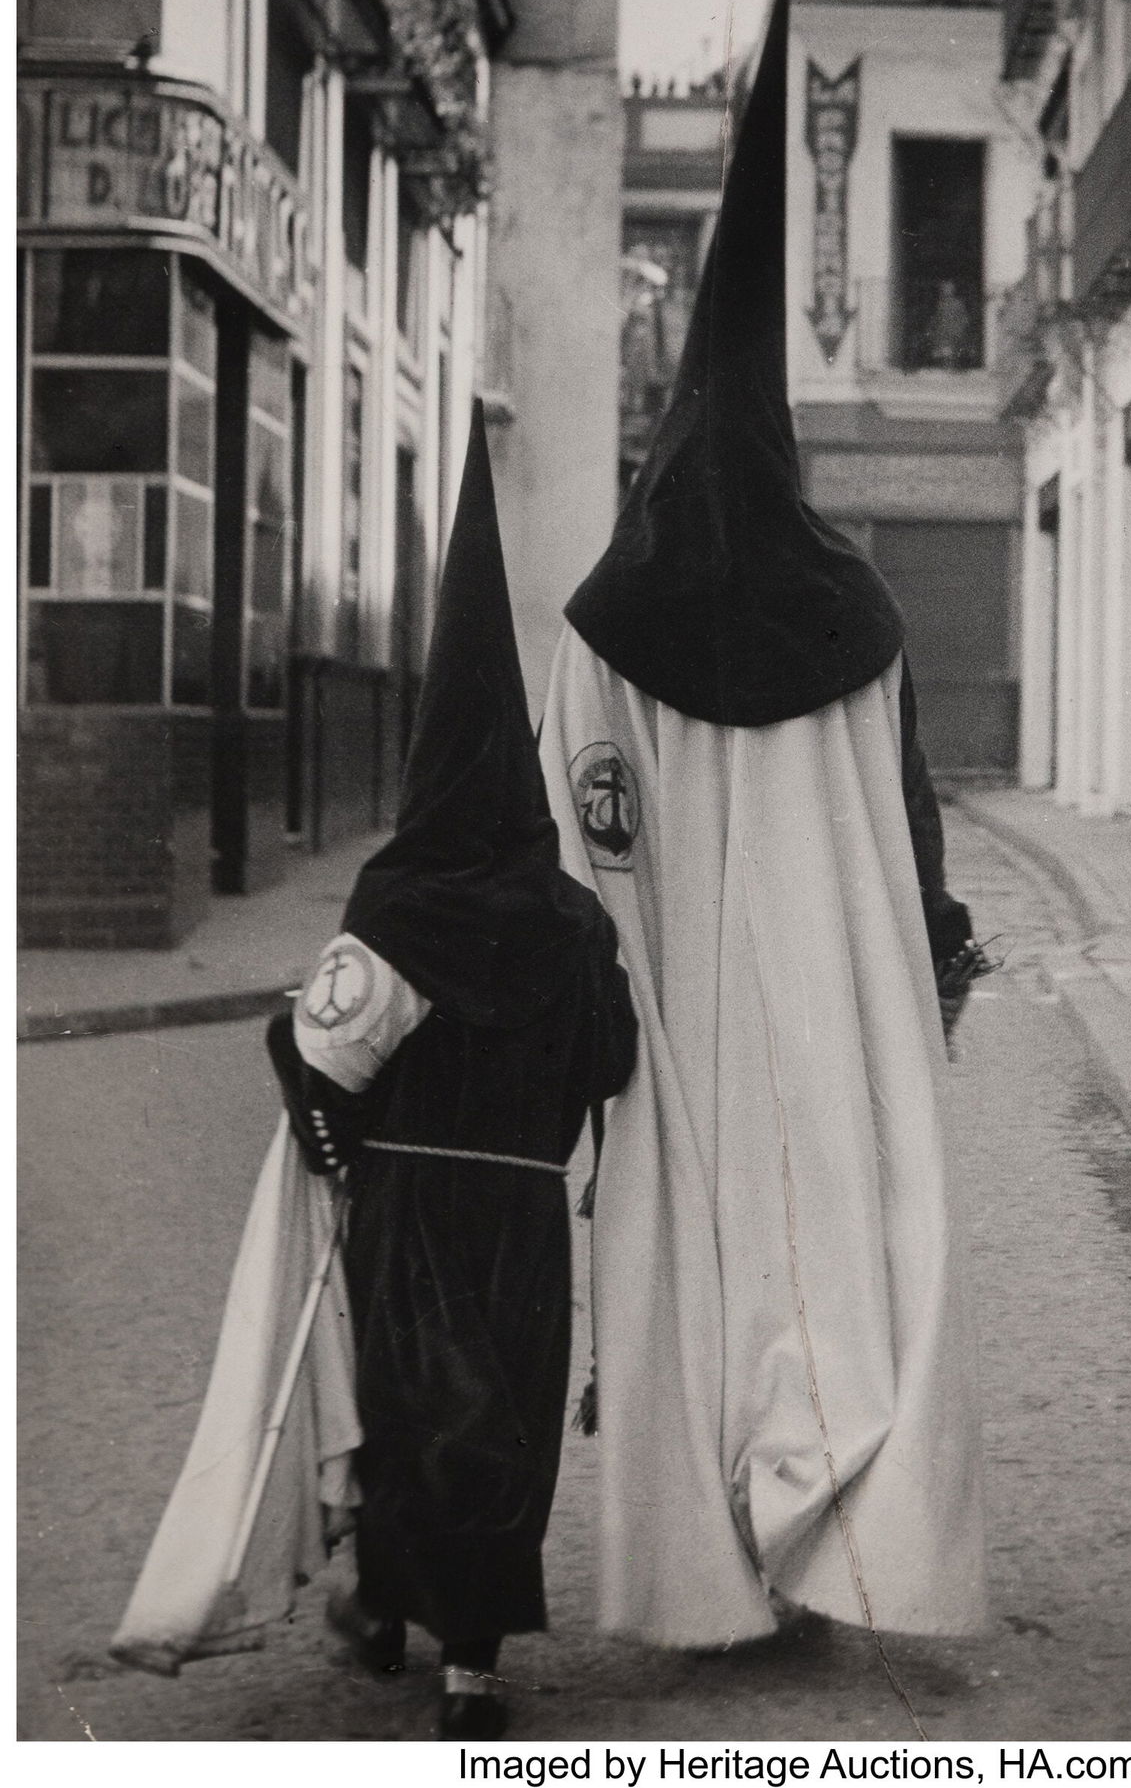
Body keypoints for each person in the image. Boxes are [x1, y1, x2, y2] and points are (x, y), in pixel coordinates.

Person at [540, 0, 988, 1650]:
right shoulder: (858, 614)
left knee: (696, 1277)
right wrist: (929, 957)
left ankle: (715, 1569)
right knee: (853, 1262)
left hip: (678, 1027)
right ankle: (845, 1538)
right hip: (835, 1008)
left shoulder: (603, 625)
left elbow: (576, 833)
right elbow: (916, 819)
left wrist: (598, 1003)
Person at [270, 403, 637, 1739]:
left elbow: (317, 1053)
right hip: (524, 1208)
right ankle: (471, 1652)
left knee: (415, 1404)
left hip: (413, 1207)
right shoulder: (571, 919)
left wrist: (335, 1152)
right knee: (509, 1417)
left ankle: (383, 1603)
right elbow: (611, 1058)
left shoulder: (395, 899)